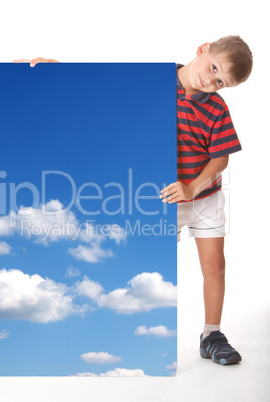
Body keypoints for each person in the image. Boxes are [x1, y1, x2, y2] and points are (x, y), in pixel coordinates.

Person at [13, 36, 253, 365]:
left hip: (203, 196)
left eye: (220, 81)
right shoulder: (152, 80)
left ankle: (212, 334)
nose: (211, 81)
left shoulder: (215, 108)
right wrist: (60, 73)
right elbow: (105, 86)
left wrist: (193, 188)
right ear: (203, 49)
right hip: (158, 198)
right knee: (141, 266)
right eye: (213, 68)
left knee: (215, 266)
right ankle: (121, 336)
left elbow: (220, 159)